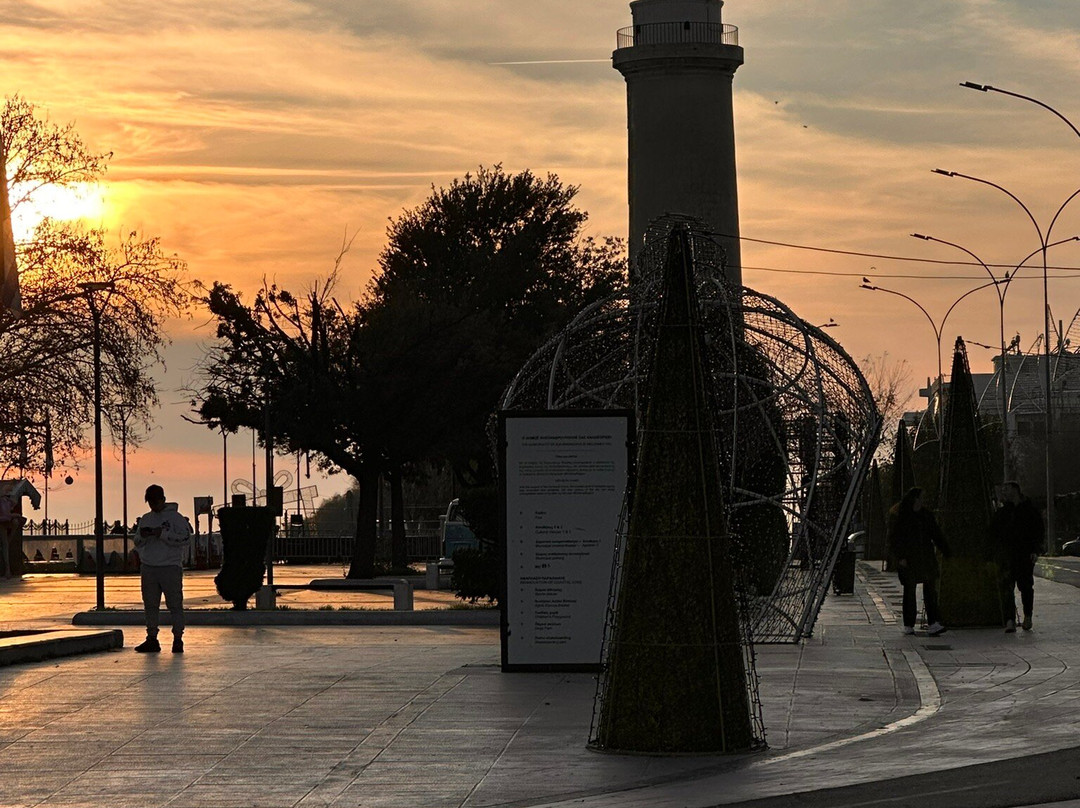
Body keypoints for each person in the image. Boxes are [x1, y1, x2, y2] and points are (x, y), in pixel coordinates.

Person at [132, 484, 192, 653]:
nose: (153, 506)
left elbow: (186, 538)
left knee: (175, 604)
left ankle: (178, 638)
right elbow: (136, 541)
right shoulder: (146, 518)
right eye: (150, 503)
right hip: (149, 566)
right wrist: (143, 536)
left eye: (155, 502)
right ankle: (152, 637)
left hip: (170, 566)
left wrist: (163, 535)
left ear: (163, 500)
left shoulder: (176, 518)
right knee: (150, 605)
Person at [887, 487, 950, 636]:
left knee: (930, 591)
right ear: (915, 499)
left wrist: (946, 550)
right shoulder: (902, 516)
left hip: (925, 557)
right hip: (909, 559)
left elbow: (936, 534)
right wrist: (901, 557)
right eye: (922, 497)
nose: (924, 500)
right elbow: (895, 539)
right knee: (910, 591)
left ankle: (933, 622)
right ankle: (909, 624)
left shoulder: (925, 515)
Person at [991, 481, 1044, 633]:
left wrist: (1035, 550)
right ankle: (1010, 620)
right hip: (1007, 555)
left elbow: (1038, 531)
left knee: (1026, 587)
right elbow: (994, 533)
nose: (1004, 492)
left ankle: (1028, 616)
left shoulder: (1029, 510)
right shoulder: (1003, 513)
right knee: (1007, 588)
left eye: (1006, 489)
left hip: (1024, 554)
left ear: (1015, 490)